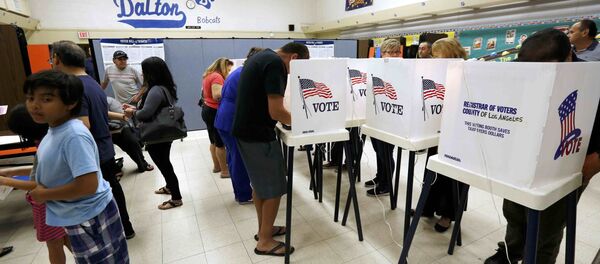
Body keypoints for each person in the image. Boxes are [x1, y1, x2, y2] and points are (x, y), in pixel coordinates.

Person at [485, 28, 600, 264]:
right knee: (515, 211)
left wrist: (595, 161)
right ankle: (511, 252)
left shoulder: (593, 78)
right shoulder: (527, 71)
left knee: (549, 224)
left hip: (571, 159)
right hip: (526, 153)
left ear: (568, 58)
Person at [24, 70, 129, 263]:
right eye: (30, 98)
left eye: (46, 99)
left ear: (70, 103)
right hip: (77, 213)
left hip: (90, 215)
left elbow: (87, 185)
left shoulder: (73, 135)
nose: (35, 105)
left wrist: (44, 195)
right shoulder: (55, 129)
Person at [50, 40, 136, 239]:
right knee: (113, 188)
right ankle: (125, 227)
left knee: (100, 194)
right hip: (104, 148)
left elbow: (83, 125)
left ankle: (114, 232)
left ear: (57, 59)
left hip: (92, 154)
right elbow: (101, 112)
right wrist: (120, 116)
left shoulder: (75, 87)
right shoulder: (92, 83)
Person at [232, 42, 309, 256]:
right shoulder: (276, 65)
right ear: (294, 58)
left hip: (245, 130)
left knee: (260, 186)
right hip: (257, 135)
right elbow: (276, 111)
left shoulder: (262, 56)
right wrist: (304, 124)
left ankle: (264, 229)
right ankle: (264, 241)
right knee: (274, 188)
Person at [0, 104, 71, 264]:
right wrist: (10, 172)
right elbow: (39, 170)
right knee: (66, 239)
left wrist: (5, 180)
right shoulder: (48, 139)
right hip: (58, 204)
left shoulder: (45, 146)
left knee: (54, 245)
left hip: (48, 205)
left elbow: (40, 184)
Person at [415, 38, 469, 232]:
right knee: (432, 170)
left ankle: (448, 215)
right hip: (437, 128)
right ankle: (427, 207)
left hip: (458, 132)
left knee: (452, 176)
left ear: (450, 53)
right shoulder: (438, 71)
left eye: (438, 55)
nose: (434, 58)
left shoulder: (467, 71)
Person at [123, 56, 183, 210]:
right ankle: (170, 187)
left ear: (151, 72)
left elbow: (145, 114)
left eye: (144, 71)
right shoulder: (166, 87)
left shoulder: (156, 90)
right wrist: (136, 109)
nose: (142, 75)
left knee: (164, 165)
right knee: (165, 162)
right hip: (163, 133)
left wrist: (132, 112)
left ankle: (176, 198)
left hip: (157, 136)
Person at [215, 48, 263, 204]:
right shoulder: (248, 74)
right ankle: (243, 195)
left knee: (233, 156)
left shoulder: (239, 71)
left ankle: (240, 192)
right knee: (239, 158)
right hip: (232, 119)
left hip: (224, 117)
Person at [365, 38, 402, 196]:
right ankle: (380, 177)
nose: (391, 55)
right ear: (382, 53)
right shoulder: (376, 67)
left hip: (392, 119)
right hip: (377, 116)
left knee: (386, 153)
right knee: (377, 150)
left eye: (395, 52)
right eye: (388, 52)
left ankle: (387, 185)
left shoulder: (403, 69)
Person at [201, 57, 233, 178]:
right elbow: (217, 95)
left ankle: (217, 166)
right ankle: (225, 171)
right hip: (214, 111)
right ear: (223, 67)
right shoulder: (217, 77)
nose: (229, 72)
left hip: (207, 109)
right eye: (228, 69)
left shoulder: (208, 75)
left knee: (213, 140)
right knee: (220, 143)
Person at [107, 96, 154, 173]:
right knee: (107, 153)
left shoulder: (108, 99)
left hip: (122, 124)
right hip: (107, 129)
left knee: (133, 143)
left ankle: (142, 163)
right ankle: (114, 171)